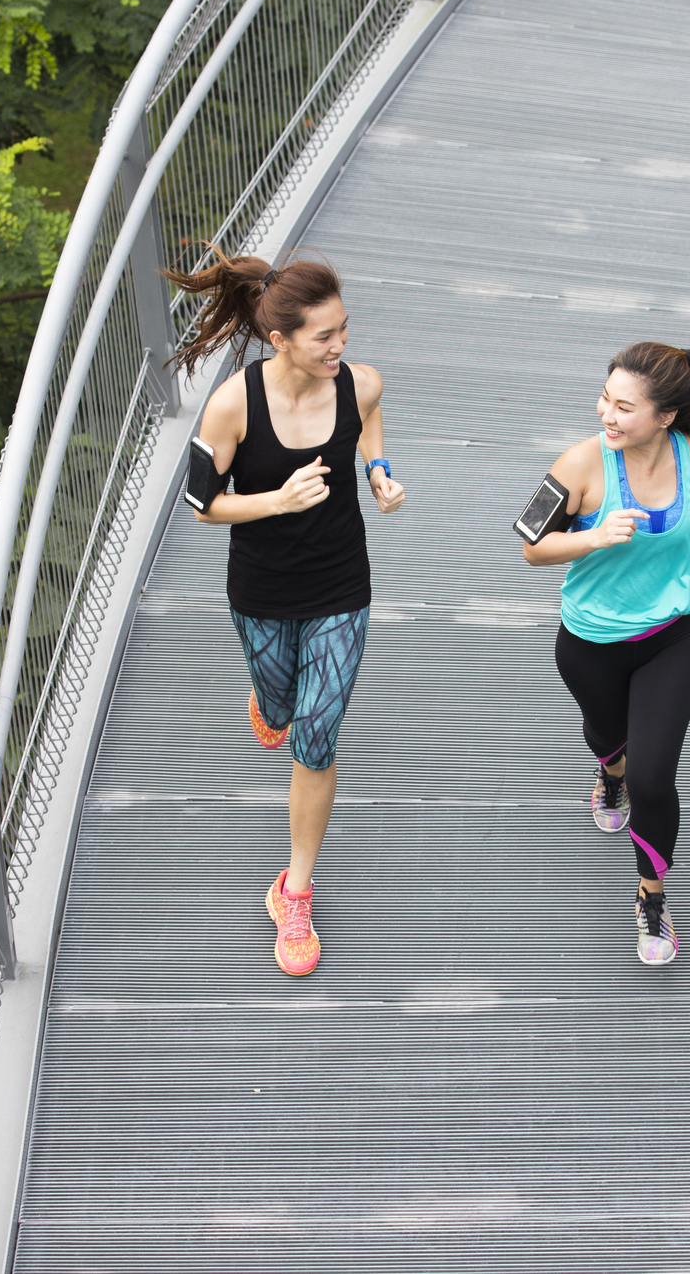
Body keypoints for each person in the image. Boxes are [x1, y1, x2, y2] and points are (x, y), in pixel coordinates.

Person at [164, 249, 404, 977]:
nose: (341, 346)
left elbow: (370, 416)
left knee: (317, 733)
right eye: (324, 336)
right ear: (281, 340)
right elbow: (201, 504)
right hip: (263, 589)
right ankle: (267, 704)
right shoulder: (233, 405)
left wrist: (378, 471)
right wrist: (277, 500)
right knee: (280, 708)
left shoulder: (359, 383)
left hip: (341, 584)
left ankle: (294, 890)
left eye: (344, 329)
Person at [521, 342, 690, 966]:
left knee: (654, 778)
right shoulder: (579, 464)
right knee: (608, 738)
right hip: (590, 643)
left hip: (674, 638)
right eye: (606, 398)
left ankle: (651, 896)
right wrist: (594, 536)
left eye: (624, 407)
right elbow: (530, 546)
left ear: (665, 417)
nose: (607, 413)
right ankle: (609, 774)